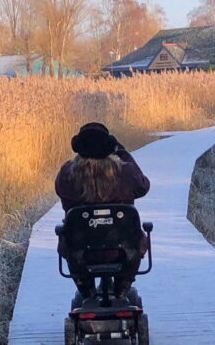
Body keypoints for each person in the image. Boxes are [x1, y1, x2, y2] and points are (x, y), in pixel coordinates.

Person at [55, 122, 150, 300]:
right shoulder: (124, 171)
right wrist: (121, 152)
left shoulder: (67, 174)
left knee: (69, 238)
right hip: (122, 250)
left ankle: (87, 290)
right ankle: (122, 288)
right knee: (133, 239)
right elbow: (143, 186)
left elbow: (60, 191)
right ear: (110, 147)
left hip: (82, 252)